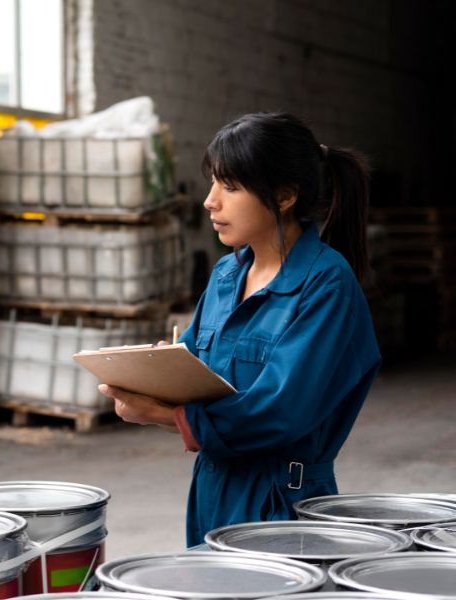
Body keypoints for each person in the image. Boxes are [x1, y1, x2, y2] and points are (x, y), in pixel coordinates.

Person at [99, 113, 381, 546]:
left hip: (282, 503)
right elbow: (194, 365)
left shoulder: (326, 284)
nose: (210, 201)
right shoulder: (226, 275)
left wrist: (166, 415)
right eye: (213, 183)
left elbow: (281, 411)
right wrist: (155, 374)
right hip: (213, 486)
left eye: (230, 187)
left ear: (285, 196)